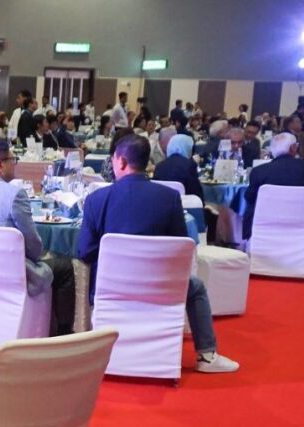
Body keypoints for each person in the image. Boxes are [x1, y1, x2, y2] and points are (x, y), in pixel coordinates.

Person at [78, 134, 239, 373]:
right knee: (195, 287)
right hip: (159, 286)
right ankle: (206, 355)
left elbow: (84, 252)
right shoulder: (169, 197)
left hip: (110, 286)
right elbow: (179, 248)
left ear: (121, 161)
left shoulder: (96, 200)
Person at [0, 139, 76, 336]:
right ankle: (61, 334)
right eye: (13, 160)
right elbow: (34, 247)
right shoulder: (14, 194)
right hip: (7, 272)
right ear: (0, 165)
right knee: (64, 266)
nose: (15, 164)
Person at [243, 133, 304, 240]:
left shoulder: (259, 171)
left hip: (264, 228)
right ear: (293, 148)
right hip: (303, 228)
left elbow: (249, 198)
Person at [154, 134, 204, 201]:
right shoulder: (189, 165)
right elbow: (197, 194)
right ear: (187, 148)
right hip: (184, 204)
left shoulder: (159, 166)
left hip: (162, 203)